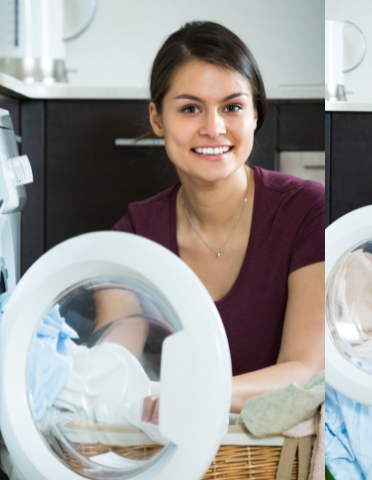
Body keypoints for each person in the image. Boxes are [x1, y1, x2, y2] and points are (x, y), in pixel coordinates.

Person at [99, 21, 324, 417]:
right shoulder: (134, 234)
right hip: (173, 447)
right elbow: (113, 374)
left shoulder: (305, 210)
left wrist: (197, 393)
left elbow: (305, 372)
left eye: (233, 107)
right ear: (156, 118)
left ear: (255, 114)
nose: (213, 128)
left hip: (271, 458)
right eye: (190, 109)